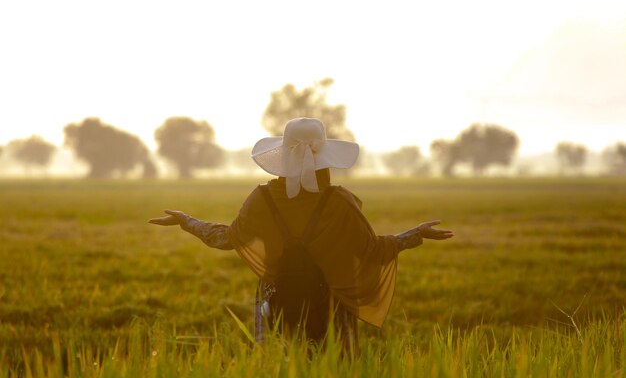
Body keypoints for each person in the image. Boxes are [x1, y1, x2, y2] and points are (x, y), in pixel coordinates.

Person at [149, 117, 453, 352]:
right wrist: (417, 234)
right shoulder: (340, 203)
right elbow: (373, 250)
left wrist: (186, 221)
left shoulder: (263, 199)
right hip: (333, 308)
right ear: (326, 161)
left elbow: (227, 238)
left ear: (283, 159)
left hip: (276, 307)